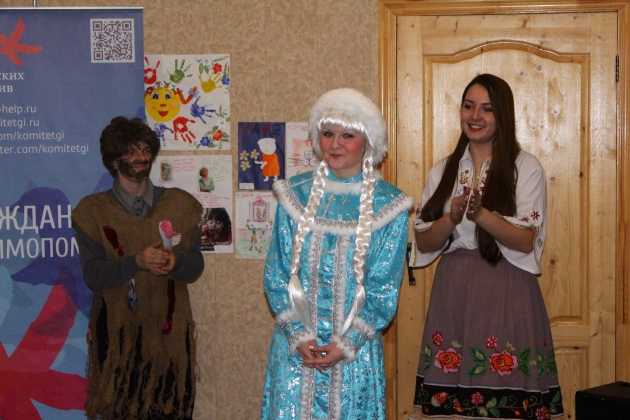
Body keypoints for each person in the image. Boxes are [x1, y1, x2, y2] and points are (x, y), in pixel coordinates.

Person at [409, 74, 564, 419]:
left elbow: (526, 240)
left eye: (487, 109)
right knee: (454, 404)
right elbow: (423, 240)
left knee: (508, 401)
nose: (475, 116)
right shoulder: (443, 170)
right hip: (454, 293)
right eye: (469, 106)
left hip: (506, 288)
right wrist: (452, 217)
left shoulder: (524, 167)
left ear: (502, 115)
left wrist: (480, 214)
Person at [261, 88, 414, 419]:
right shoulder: (294, 196)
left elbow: (383, 291)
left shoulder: (389, 207)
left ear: (368, 141)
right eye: (328, 133)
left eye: (348, 135)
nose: (335, 144)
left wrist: (347, 345)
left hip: (354, 360)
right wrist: (298, 335)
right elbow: (276, 275)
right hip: (295, 355)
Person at [72, 116, 204, 420]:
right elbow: (93, 275)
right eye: (130, 152)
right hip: (118, 339)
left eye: (145, 150)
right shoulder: (92, 212)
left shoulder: (181, 205)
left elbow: (196, 265)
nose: (141, 157)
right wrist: (136, 262)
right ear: (113, 160)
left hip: (170, 337)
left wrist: (176, 262)